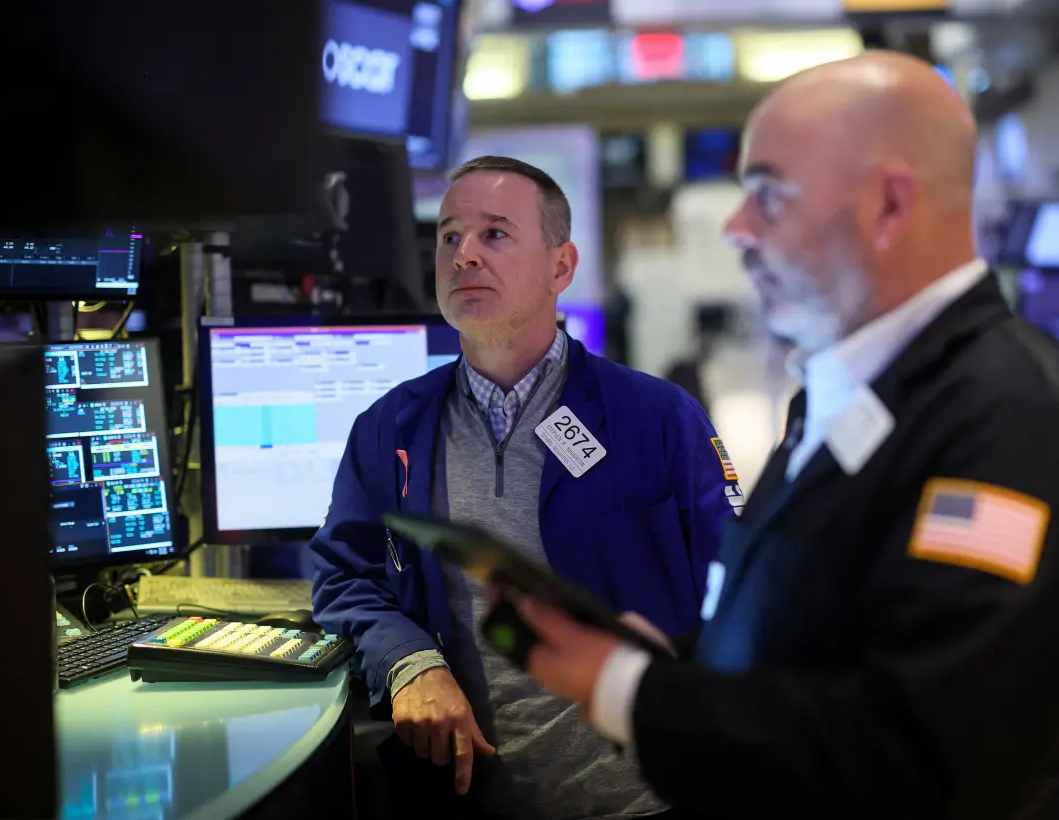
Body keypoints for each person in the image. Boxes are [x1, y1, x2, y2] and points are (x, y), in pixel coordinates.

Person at [509, 51, 1059, 819]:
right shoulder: (846, 395)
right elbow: (821, 632)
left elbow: (918, 755)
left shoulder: (1012, 422)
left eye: (767, 195)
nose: (736, 231)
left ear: (889, 206)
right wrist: (678, 665)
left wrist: (632, 692)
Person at [310, 156, 739, 819]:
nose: (464, 256)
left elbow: (736, 590)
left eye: (495, 234)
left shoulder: (658, 418)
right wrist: (409, 661)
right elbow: (344, 575)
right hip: (465, 800)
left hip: (643, 801)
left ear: (560, 269)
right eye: (449, 237)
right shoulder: (390, 428)